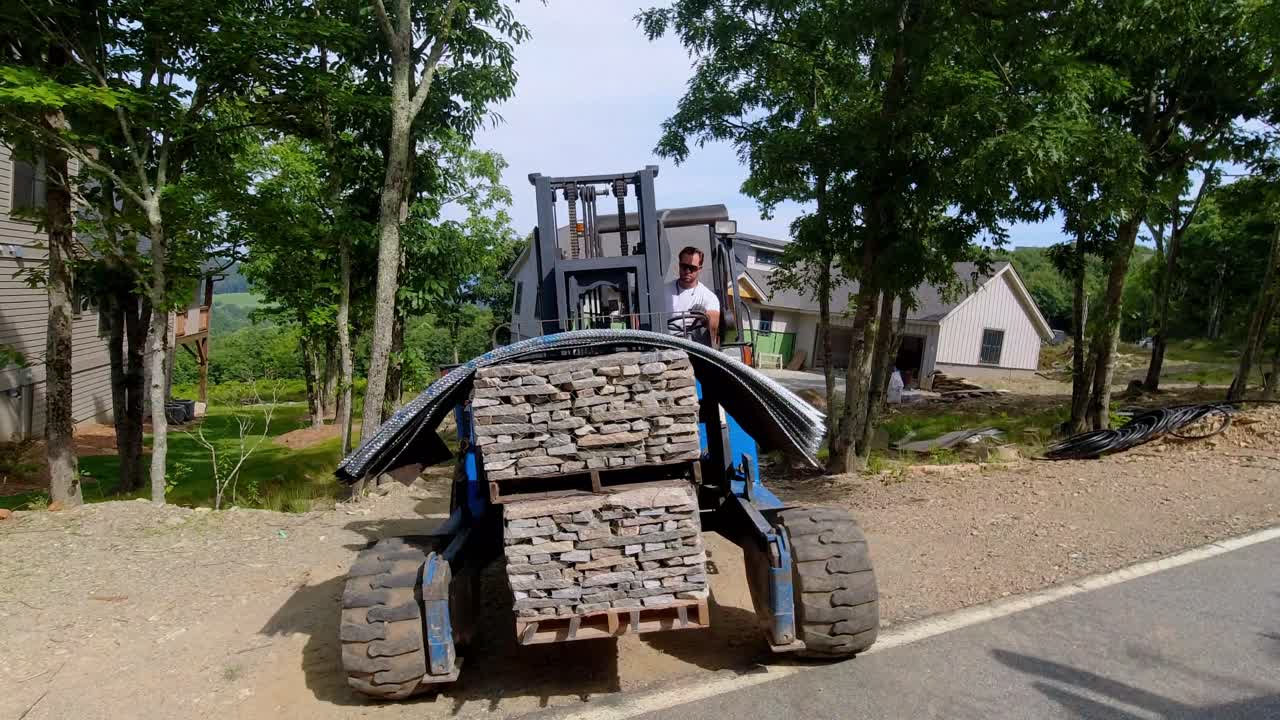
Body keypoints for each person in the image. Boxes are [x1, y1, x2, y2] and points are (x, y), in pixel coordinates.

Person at [665, 246, 720, 345]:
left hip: (693, 348)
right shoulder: (663, 291)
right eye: (684, 266)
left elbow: (714, 323)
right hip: (664, 344)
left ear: (699, 269)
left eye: (692, 268)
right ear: (679, 265)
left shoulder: (708, 297)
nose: (687, 271)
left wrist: (705, 317)